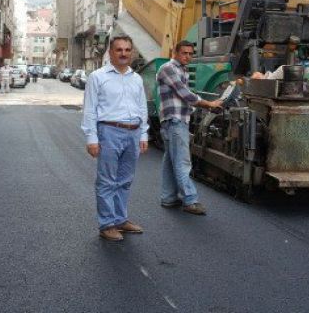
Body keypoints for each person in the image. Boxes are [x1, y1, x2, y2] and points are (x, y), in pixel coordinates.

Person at [81, 36, 149, 242]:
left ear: (132, 53)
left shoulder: (136, 78)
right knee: (107, 181)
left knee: (125, 180)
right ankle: (107, 224)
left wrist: (144, 133)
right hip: (109, 131)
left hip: (133, 133)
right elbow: (90, 109)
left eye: (128, 50)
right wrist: (91, 138)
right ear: (110, 52)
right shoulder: (98, 77)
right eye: (119, 50)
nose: (123, 53)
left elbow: (142, 107)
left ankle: (120, 219)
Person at [157, 41, 223, 215]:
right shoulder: (168, 68)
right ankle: (190, 200)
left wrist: (202, 106)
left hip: (178, 120)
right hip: (174, 120)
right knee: (182, 161)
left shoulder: (182, 70)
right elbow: (185, 94)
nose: (187, 56)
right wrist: (209, 104)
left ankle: (169, 197)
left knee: (171, 160)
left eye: (190, 53)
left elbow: (185, 98)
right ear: (175, 52)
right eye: (184, 53)